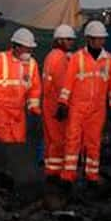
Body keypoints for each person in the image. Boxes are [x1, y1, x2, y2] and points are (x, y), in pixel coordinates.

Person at [56, 21, 111, 184]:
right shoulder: (77, 58)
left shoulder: (109, 60)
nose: (101, 42)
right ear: (89, 39)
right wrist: (63, 102)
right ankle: (68, 175)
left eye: (102, 39)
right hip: (77, 107)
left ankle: (91, 174)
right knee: (72, 140)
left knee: (93, 142)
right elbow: (68, 82)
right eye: (98, 39)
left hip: (97, 109)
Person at [0, 28, 41, 144]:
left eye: (31, 49)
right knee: (3, 141)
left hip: (18, 112)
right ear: (16, 47)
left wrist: (33, 108)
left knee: (19, 141)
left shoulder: (32, 64)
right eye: (27, 49)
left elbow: (35, 89)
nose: (29, 52)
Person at [42, 24, 76, 178]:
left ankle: (51, 170)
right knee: (58, 140)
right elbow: (63, 84)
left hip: (49, 103)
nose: (71, 42)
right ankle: (55, 174)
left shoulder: (51, 55)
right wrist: (64, 104)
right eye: (68, 40)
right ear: (60, 40)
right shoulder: (60, 58)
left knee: (51, 140)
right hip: (57, 105)